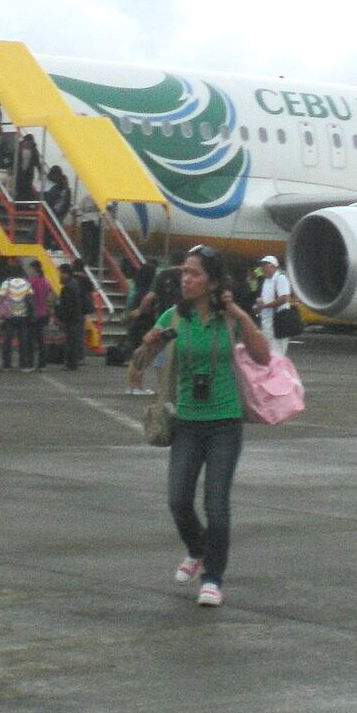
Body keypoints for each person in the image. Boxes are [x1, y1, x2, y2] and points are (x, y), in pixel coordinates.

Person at [127, 245, 272, 607]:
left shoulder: (228, 320)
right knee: (178, 499)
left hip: (224, 421)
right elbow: (138, 365)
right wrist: (147, 345)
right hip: (187, 422)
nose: (185, 279)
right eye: (184, 272)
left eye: (194, 273)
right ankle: (197, 549)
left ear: (212, 283)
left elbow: (263, 355)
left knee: (217, 504)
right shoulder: (174, 318)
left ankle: (213, 578)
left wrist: (236, 309)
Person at [55, 262, 94, 371]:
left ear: (66, 273)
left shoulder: (67, 287)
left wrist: (61, 318)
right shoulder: (75, 284)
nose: (59, 275)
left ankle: (71, 364)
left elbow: (67, 305)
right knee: (75, 339)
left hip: (71, 318)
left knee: (71, 341)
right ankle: (74, 362)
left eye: (61, 273)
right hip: (77, 316)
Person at [256, 256, 296, 359]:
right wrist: (260, 302)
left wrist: (266, 306)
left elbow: (284, 298)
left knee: (277, 354)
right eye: (262, 266)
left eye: (265, 266)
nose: (263, 268)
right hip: (267, 322)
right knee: (268, 352)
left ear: (273, 266)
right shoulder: (266, 281)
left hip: (278, 321)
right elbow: (266, 297)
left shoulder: (280, 278)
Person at [25, 259, 53, 370]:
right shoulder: (45, 281)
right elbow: (51, 295)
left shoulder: (30, 281)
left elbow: (27, 297)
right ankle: (42, 364)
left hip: (32, 313)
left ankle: (30, 363)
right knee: (41, 339)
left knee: (30, 340)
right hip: (44, 313)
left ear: (33, 268)